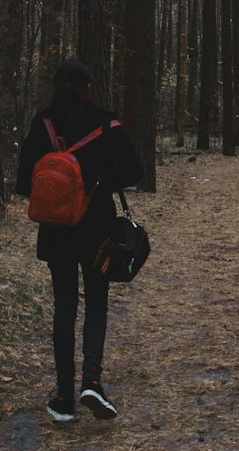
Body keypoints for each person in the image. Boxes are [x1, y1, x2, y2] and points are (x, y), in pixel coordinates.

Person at [15, 59, 143, 423]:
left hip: (56, 231)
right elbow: (136, 170)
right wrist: (101, 179)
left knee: (65, 306)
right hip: (97, 226)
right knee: (97, 301)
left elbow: (25, 181)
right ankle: (92, 380)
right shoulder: (105, 123)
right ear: (88, 88)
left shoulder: (43, 124)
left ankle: (63, 396)